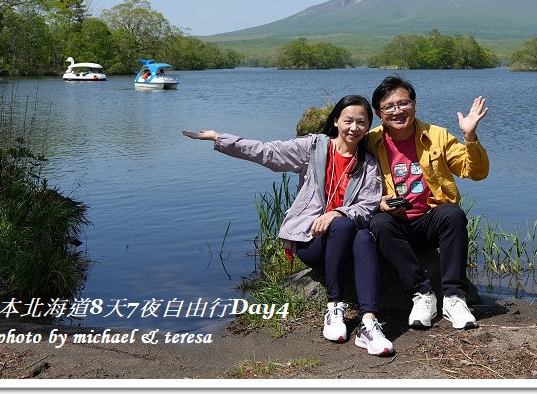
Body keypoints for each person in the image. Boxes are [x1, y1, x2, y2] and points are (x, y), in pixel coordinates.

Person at [182, 95, 394, 356]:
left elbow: (367, 206)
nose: (354, 128)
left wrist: (337, 212)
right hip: (311, 241)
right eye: (348, 120)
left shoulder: (369, 164)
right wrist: (219, 138)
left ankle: (369, 324)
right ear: (337, 120)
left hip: (346, 239)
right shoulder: (314, 148)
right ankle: (334, 308)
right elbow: (267, 152)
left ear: (369, 125)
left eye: (361, 122)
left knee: (358, 234)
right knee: (346, 227)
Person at [365, 75, 489, 331]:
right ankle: (423, 294)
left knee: (452, 214)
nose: (397, 111)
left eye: (403, 103)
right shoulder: (370, 141)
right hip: (396, 225)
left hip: (431, 221)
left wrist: (470, 136)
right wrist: (379, 202)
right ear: (379, 113)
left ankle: (454, 298)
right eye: (389, 107)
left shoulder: (437, 136)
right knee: (379, 221)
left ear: (414, 104)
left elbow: (475, 172)